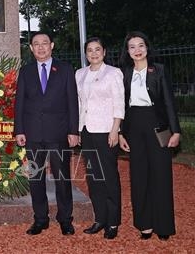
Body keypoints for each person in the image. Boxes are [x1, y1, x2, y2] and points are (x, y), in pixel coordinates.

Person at [14, 31, 79, 236]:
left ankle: (65, 219)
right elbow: (19, 103)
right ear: (31, 48)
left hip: (59, 133)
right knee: (36, 178)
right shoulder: (26, 71)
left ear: (52, 45)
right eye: (36, 44)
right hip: (33, 133)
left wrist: (73, 131)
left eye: (44, 43)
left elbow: (72, 102)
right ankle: (40, 219)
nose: (41, 47)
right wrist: (19, 130)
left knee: (62, 178)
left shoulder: (65, 69)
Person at [117, 31, 181, 241]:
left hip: (158, 126)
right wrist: (120, 133)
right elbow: (120, 105)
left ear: (147, 48)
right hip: (133, 126)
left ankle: (163, 225)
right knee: (139, 176)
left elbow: (169, 102)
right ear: (127, 51)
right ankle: (144, 224)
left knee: (161, 175)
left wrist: (176, 131)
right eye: (132, 46)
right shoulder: (124, 73)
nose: (137, 50)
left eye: (140, 45)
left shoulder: (159, 70)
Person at [75, 37, 125, 240]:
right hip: (87, 131)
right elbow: (80, 104)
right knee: (93, 177)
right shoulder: (80, 74)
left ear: (104, 52)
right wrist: (79, 130)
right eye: (90, 50)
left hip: (106, 131)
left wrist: (115, 130)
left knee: (109, 176)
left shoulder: (113, 73)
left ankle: (113, 222)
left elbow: (119, 103)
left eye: (97, 49)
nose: (94, 53)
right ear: (86, 54)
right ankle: (100, 218)